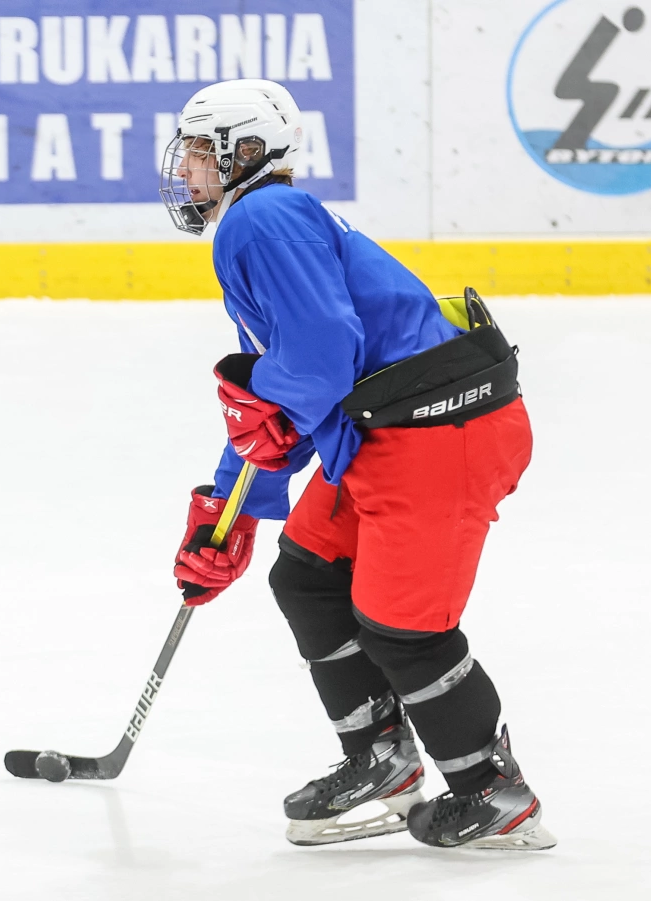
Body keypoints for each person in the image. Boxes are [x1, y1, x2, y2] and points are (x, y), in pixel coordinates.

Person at [160, 79, 554, 851]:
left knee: (402, 625)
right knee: (308, 573)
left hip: (442, 432)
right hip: (395, 429)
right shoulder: (266, 220)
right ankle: (382, 757)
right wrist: (229, 508)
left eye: (202, 152)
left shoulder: (262, 221)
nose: (187, 169)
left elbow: (315, 367)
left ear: (247, 153)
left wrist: (255, 420)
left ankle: (492, 791)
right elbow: (290, 392)